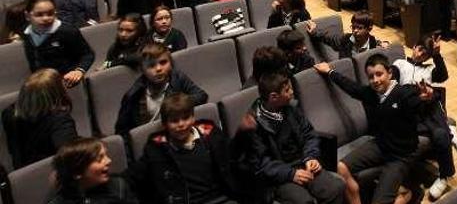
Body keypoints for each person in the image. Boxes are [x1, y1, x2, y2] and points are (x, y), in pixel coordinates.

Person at [314, 54, 435, 204]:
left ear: (389, 73)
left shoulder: (404, 93)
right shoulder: (372, 94)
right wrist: (330, 72)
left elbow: (418, 105)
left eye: (379, 74)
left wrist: (428, 99)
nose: (375, 80)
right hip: (380, 145)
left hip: (401, 155)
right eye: (371, 77)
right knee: (340, 167)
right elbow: (352, 88)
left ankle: (410, 194)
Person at [238, 72, 345, 204]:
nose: (292, 92)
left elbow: (309, 134)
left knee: (335, 188)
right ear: (274, 97)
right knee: (304, 202)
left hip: (303, 163)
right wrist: (291, 174)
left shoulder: (291, 108)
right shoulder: (253, 123)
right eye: (287, 90)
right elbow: (260, 164)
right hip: (279, 177)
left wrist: (310, 157)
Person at [391, 35, 457, 199]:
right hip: (411, 110)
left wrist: (437, 55)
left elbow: (443, 76)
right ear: (414, 47)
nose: (422, 54)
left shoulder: (429, 69)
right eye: (421, 49)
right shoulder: (400, 64)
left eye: (427, 53)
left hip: (429, 110)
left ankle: (444, 177)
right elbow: (392, 83)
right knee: (438, 128)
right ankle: (449, 129)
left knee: (438, 129)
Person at [135, 93, 241, 204]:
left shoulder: (211, 135)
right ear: (165, 124)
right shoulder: (156, 150)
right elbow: (134, 178)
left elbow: (233, 157)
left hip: (222, 199)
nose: (181, 124)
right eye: (174, 121)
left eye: (186, 118)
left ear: (193, 118)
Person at [115, 42, 208, 134]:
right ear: (142, 69)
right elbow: (122, 131)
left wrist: (178, 104)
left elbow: (201, 95)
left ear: (171, 64)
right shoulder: (133, 94)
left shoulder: (178, 78)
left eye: (163, 62)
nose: (159, 69)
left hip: (174, 132)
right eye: (151, 65)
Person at [1, 68, 78, 169]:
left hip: (22, 174)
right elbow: (70, 159)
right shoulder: (60, 121)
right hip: (50, 173)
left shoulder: (9, 113)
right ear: (56, 92)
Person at [22, 0, 94, 86]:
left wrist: (79, 70)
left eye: (50, 13)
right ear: (27, 16)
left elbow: (88, 54)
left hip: (67, 82)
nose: (46, 18)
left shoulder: (67, 31)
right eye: (39, 15)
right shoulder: (26, 33)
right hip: (41, 83)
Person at [49, 137, 139, 204]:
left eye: (106, 155)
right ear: (77, 172)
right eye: (99, 158)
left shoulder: (118, 187)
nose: (109, 161)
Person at [308, 12, 381, 58]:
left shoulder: (373, 42)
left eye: (359, 28)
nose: (355, 31)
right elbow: (326, 38)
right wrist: (314, 32)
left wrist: (383, 44)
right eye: (353, 27)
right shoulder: (344, 40)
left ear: (369, 29)